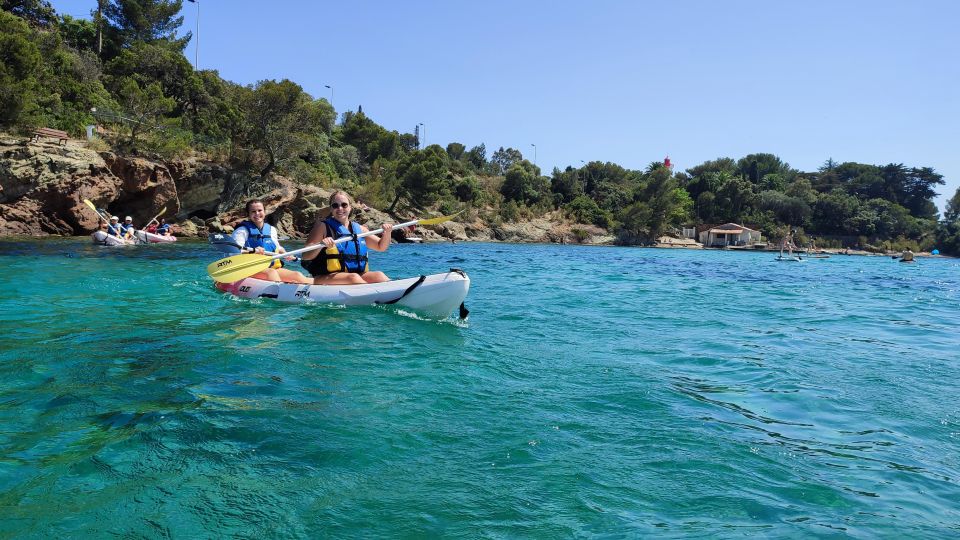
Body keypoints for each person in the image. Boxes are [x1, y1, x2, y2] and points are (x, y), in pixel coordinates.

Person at [300, 191, 393, 285]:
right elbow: (305, 256)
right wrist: (321, 245)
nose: (340, 208)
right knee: (353, 278)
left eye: (344, 205)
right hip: (325, 276)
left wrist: (387, 233)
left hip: (354, 275)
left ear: (350, 207)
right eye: (335, 205)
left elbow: (381, 246)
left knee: (379, 276)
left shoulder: (360, 229)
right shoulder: (322, 227)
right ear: (331, 209)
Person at [233, 199, 311, 284]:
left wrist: (286, 254)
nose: (257, 214)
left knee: (297, 275)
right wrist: (253, 251)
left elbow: (276, 247)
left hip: (271, 267)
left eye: (260, 210)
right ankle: (280, 291)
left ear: (264, 212)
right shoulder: (242, 230)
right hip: (250, 268)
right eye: (253, 211)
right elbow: (234, 251)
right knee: (271, 273)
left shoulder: (271, 230)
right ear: (248, 214)